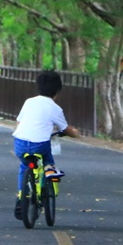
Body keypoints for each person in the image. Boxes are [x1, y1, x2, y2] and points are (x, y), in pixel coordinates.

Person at [12, 70, 81, 220]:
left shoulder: (29, 102)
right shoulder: (55, 108)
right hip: (40, 146)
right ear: (57, 90)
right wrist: (75, 133)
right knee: (48, 159)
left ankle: (21, 195)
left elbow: (19, 122)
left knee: (24, 166)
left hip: (20, 144)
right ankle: (49, 174)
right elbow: (65, 129)